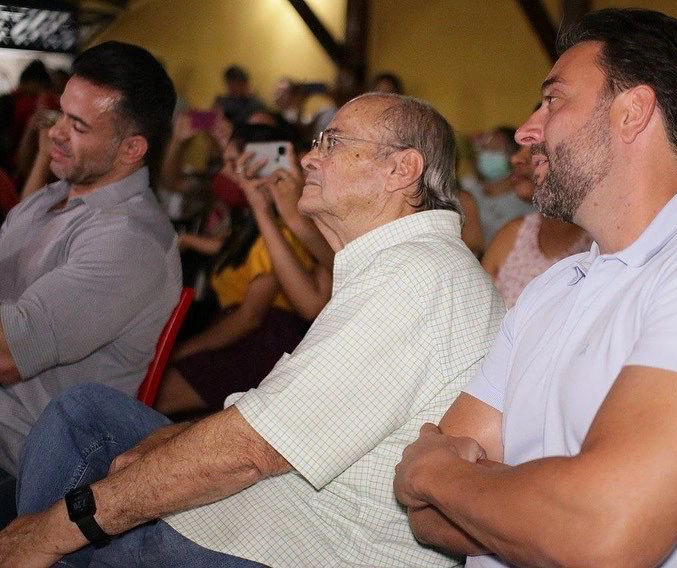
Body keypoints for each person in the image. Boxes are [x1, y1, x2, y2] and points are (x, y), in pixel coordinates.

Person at [394, 8, 677, 567]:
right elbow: (429, 519)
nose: (529, 130)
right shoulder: (552, 288)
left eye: (552, 100)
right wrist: (571, 495)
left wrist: (434, 470)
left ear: (633, 112)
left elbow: (600, 536)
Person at [0, 92, 504, 567]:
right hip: (283, 504)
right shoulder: (402, 264)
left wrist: (54, 529)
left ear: (401, 169)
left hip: (306, 543)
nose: (308, 159)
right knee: (81, 413)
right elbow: (270, 424)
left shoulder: (418, 276)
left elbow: (252, 450)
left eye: (333, 143)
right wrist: (172, 442)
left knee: (59, 526)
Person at [0, 41, 181, 478]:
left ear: (131, 149)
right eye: (61, 113)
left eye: (78, 126)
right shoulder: (54, 196)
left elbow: (5, 355)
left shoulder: (129, 242)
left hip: (26, 461)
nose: (56, 132)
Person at [153, 125, 329, 417]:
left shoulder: (292, 228)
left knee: (155, 400)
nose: (230, 172)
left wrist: (182, 351)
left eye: (237, 162)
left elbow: (293, 308)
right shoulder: (250, 222)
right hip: (235, 333)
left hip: (260, 344)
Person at [481, 143, 591, 307]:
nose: (516, 159)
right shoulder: (514, 235)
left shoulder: (598, 244)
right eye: (519, 148)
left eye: (536, 149)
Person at [461, 127, 534, 245]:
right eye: (484, 148)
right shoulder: (467, 191)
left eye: (495, 150)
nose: (486, 154)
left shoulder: (526, 203)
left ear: (514, 155)